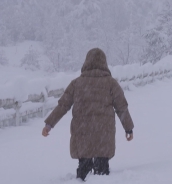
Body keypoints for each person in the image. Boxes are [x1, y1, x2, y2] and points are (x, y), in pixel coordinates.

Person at [42, 48, 134, 181]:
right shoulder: (111, 83)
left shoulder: (76, 83)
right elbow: (122, 107)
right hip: (103, 133)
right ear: (104, 63)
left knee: (83, 171)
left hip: (82, 133)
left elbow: (63, 105)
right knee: (102, 172)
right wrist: (128, 128)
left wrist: (49, 124)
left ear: (86, 62)